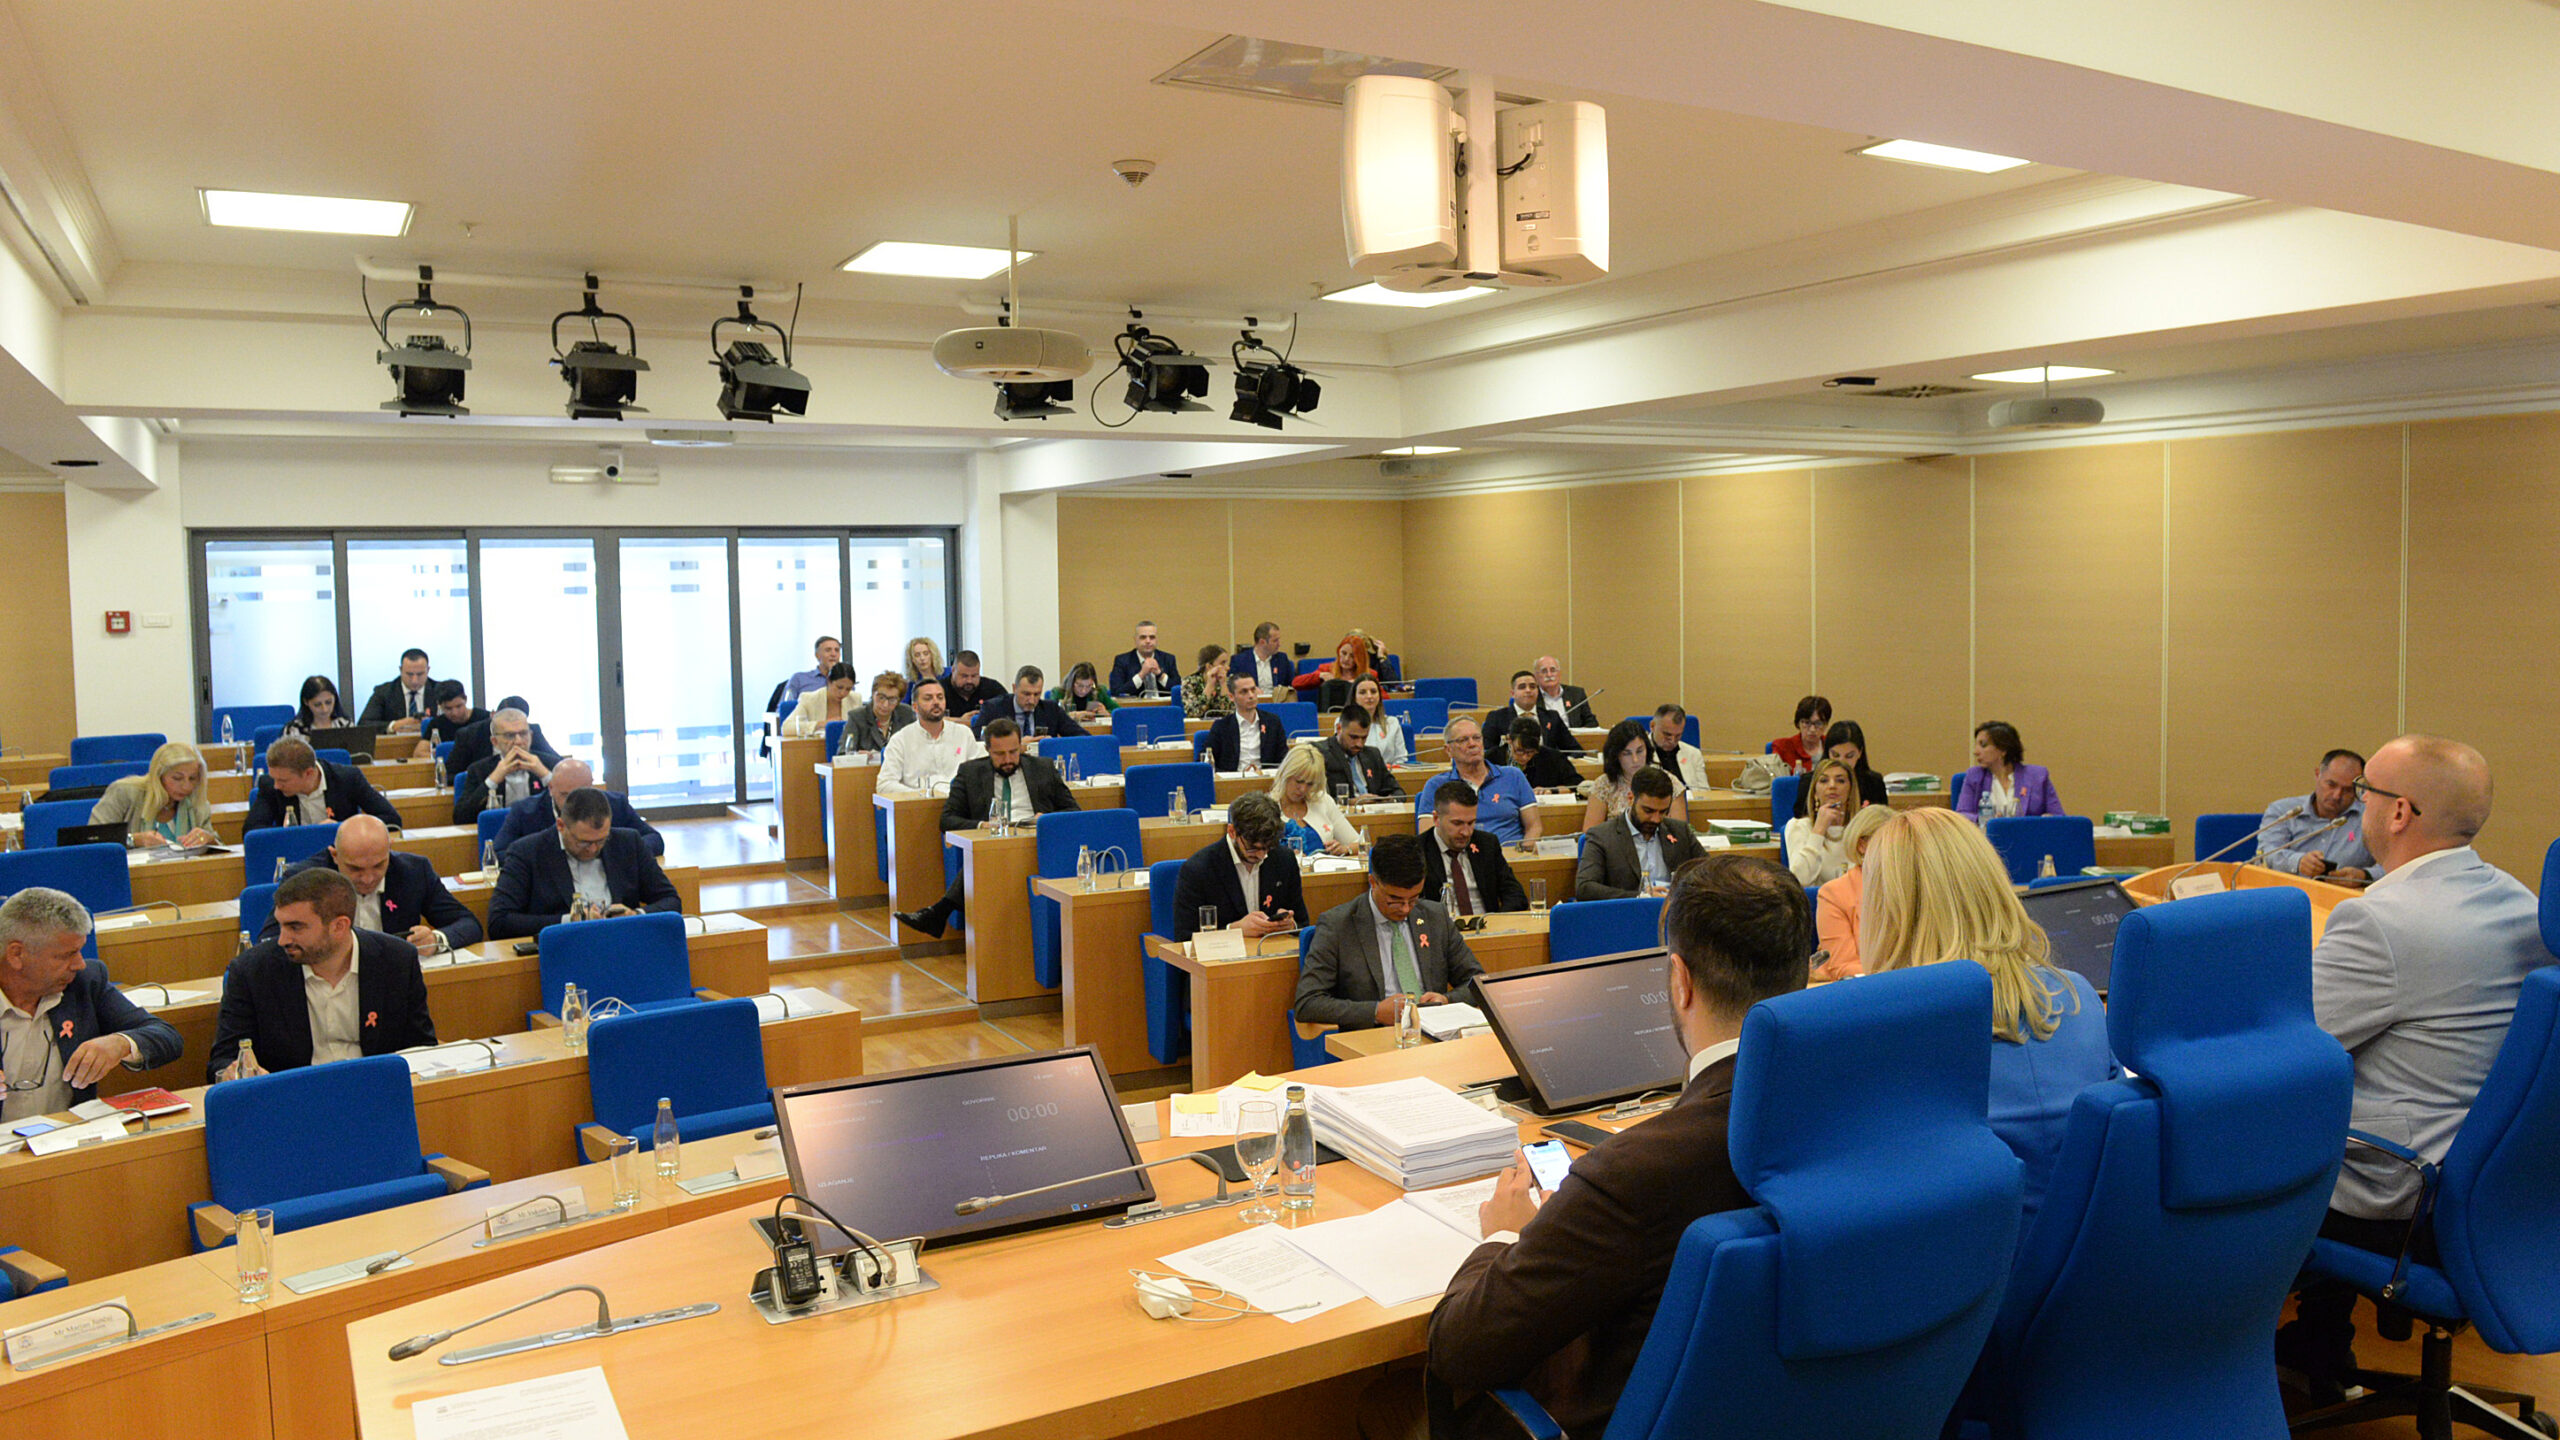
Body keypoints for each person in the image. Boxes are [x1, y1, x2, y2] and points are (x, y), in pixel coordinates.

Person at [1425, 855, 1807, 1440]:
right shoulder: (1857, 1114)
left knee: (1385, 1405)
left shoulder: (1636, 1173)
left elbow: (1458, 1350)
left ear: (1678, 981)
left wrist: (1502, 1235)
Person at [2278, 734, 2556, 1400]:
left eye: (2364, 791)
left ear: (2398, 811)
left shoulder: (2383, 922)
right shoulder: (2521, 903)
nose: (2356, 806)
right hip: (2501, 1184)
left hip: (2400, 1192)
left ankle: (2208, 1369)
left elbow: (2284, 1052)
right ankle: (2316, 1345)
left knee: (2223, 1141)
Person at [1859, 806, 2115, 1238]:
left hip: (1964, 1268)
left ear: (1886, 911)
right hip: (2097, 1260)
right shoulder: (2079, 998)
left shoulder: (1884, 1035)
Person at [207, 867, 436, 1082]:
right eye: (281, 925)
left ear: (339, 926)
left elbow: (422, 1046)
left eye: (295, 927)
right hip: (294, 1095)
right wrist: (231, 1072)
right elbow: (222, 1060)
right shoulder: (252, 971)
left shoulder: (397, 960)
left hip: (375, 1087)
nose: (282, 939)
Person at [0, 887, 183, 1122]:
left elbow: (167, 1036)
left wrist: (120, 1043)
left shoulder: (84, 984)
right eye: (66, 955)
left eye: (80, 951)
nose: (80, 964)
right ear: (16, 954)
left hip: (69, 1135)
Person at [892, 720, 1080, 938]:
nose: (1008, 760)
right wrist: (982, 825)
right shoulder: (970, 772)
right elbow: (947, 820)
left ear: (1021, 746)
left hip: (1035, 840)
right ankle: (940, 914)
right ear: (987, 750)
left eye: (1013, 752)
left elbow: (1074, 811)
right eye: (999, 754)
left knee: (987, 857)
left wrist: (1046, 819)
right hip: (993, 842)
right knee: (986, 854)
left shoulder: (1043, 768)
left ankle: (938, 912)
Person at [1294, 834, 1485, 1031]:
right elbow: (1308, 1003)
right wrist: (1375, 1012)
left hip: (1435, 1033)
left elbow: (1478, 982)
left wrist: (1447, 1000)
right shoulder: (1338, 925)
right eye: (1395, 900)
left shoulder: (1435, 917)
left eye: (1413, 899)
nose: (1405, 909)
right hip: (1373, 1036)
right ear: (1373, 882)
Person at [487, 787, 682, 939]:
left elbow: (670, 900)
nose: (593, 849)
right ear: (561, 825)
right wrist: (569, 921)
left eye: (601, 840)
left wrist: (636, 915)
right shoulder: (527, 852)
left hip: (623, 941)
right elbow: (499, 922)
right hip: (564, 948)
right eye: (584, 842)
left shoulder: (628, 842)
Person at [272, 815, 481, 954]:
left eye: (379, 865)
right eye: (355, 869)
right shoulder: (305, 880)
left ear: (389, 849)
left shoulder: (414, 871)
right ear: (335, 856)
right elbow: (271, 940)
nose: (368, 878)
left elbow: (468, 923)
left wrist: (435, 940)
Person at [1170, 792, 1308, 939]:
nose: (1262, 855)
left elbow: (1303, 923)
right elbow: (1184, 936)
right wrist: (1233, 930)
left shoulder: (1284, 859)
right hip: (1223, 953)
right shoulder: (1198, 869)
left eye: (1267, 847)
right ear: (1232, 832)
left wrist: (1290, 925)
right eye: (1253, 848)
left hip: (1272, 949)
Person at [490, 757, 665, 858]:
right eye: (565, 795)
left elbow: (654, 840)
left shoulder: (615, 804)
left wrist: (611, 852)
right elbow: (499, 853)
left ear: (592, 787)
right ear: (551, 788)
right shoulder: (524, 811)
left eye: (582, 792)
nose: (575, 802)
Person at [1575, 767, 1705, 900]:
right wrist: (1640, 896)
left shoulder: (1679, 831)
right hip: (1629, 909)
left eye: (1663, 812)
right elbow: (1585, 888)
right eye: (1648, 811)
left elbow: (1710, 872)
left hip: (1674, 907)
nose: (1656, 819)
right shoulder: (1602, 836)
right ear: (1631, 798)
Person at [2258, 749, 2380, 882]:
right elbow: (2266, 854)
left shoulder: (2371, 816)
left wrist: (2364, 875)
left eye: (2347, 790)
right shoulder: (2284, 811)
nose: (2337, 795)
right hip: (2287, 890)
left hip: (2342, 893)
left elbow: (2394, 867)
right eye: (2331, 785)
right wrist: (2298, 862)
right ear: (2318, 775)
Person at [1419, 717, 1542, 846]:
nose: (1472, 744)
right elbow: (1427, 836)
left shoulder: (1513, 776)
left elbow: (1534, 827)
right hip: (1461, 855)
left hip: (1510, 853)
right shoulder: (1436, 785)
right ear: (1448, 750)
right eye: (1463, 740)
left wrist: (1524, 851)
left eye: (1477, 738)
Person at [247, 736, 403, 831]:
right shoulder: (269, 786)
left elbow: (391, 819)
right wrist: (294, 835)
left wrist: (342, 827)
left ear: (308, 773)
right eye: (274, 778)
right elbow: (253, 830)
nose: (276, 785)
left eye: (283, 781)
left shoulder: (348, 778)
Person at [1421, 781, 1529, 915]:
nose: (1466, 832)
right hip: (1440, 925)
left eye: (1471, 823)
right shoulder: (1418, 850)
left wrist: (1498, 920)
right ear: (1436, 819)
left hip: (1487, 923)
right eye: (1457, 823)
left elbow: (1515, 895)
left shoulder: (1487, 844)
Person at [88, 740, 220, 847]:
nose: (186, 786)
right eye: (177, 778)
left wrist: (209, 840)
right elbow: (92, 837)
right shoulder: (124, 792)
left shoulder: (197, 803)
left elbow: (219, 848)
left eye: (192, 778)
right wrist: (133, 840)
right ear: (159, 775)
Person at [1812, 805, 1892, 980]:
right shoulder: (1834, 894)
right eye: (1890, 842)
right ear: (1862, 846)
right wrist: (1901, 974)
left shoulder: (1916, 885)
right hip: (1862, 988)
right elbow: (1843, 966)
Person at [876, 677, 981, 795]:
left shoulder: (963, 734)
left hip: (958, 801)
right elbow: (884, 785)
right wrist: (921, 795)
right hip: (918, 802)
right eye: (928, 698)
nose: (936, 702)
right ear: (915, 707)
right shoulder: (901, 740)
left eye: (940, 697)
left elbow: (978, 776)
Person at [1580, 719, 1689, 830]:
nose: (1635, 759)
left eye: (1640, 751)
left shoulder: (1670, 782)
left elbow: (1679, 832)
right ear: (1616, 755)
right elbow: (1590, 834)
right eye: (1627, 753)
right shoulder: (1603, 785)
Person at [453, 707, 553, 824]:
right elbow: (460, 818)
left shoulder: (551, 764)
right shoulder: (479, 770)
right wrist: (492, 780)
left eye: (523, 734)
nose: (518, 741)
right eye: (510, 735)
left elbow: (570, 810)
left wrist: (546, 776)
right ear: (495, 742)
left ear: (531, 735)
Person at [1954, 720, 2064, 820]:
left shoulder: (2037, 776)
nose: (1975, 752)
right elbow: (1962, 815)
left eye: (1983, 745)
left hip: (2027, 835)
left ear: (2003, 749)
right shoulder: (1974, 776)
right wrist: (1986, 819)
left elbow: (2059, 817)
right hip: (1986, 835)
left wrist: (2047, 819)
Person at [1785, 758, 1865, 885]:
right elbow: (1799, 880)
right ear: (1815, 793)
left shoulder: (1863, 829)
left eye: (1840, 781)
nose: (1832, 786)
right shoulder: (1799, 827)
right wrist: (1819, 829)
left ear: (1850, 790)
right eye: (1824, 780)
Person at [1270, 744, 1362, 856]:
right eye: (1299, 781)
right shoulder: (1268, 807)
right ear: (1285, 774)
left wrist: (1345, 849)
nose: (1303, 789)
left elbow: (1360, 844)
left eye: (1310, 784)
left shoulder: (1322, 801)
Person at [444, 697, 560, 778]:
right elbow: (449, 775)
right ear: (493, 715)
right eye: (509, 735)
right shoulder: (469, 734)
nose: (518, 740)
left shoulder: (531, 731)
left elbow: (558, 763)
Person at [1208, 670, 1290, 774]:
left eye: (1253, 690)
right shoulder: (1221, 726)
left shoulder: (1272, 722)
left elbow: (1284, 759)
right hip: (1233, 780)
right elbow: (1206, 763)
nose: (1251, 695)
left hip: (1265, 779)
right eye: (1244, 692)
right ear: (1231, 697)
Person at [1319, 704, 1404, 802]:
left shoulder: (1373, 754)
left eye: (1364, 738)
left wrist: (1387, 800)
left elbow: (1399, 792)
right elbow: (1314, 800)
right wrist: (1353, 802)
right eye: (1353, 737)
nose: (1359, 744)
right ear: (1339, 729)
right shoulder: (1320, 754)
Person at [1484, 671, 1579, 756]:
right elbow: (1488, 752)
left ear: (1538, 691)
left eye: (1532, 687)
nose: (1528, 690)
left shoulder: (1552, 717)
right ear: (1513, 693)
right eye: (1522, 687)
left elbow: (1575, 750)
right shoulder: (1497, 717)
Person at [973, 665, 1079, 739]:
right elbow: (977, 740)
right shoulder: (993, 708)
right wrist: (1018, 745)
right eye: (1026, 694)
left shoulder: (1051, 710)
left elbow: (1081, 736)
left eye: (1037, 694)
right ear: (1014, 688)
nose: (1031, 700)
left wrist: (1053, 742)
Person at [356, 648, 438, 734]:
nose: (415, 680)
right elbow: (363, 725)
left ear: (428, 670)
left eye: (420, 674)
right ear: (401, 670)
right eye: (409, 674)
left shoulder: (439, 690)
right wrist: (393, 726)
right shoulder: (384, 692)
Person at [1817, 720, 1891, 807]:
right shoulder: (1810, 781)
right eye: (1835, 755)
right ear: (1827, 752)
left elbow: (1882, 814)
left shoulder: (1873, 783)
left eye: (1849, 756)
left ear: (1860, 753)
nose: (1842, 762)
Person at [842, 672, 916, 756]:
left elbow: (917, 747)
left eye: (892, 700)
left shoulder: (906, 714)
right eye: (881, 698)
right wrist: (857, 755)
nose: (885, 705)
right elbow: (843, 753)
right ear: (873, 694)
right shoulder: (857, 717)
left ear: (899, 700)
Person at [410, 680, 486, 759]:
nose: (455, 713)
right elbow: (418, 753)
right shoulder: (437, 724)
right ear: (439, 705)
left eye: (459, 706)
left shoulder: (484, 718)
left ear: (465, 699)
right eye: (448, 709)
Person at [782, 663, 860, 739]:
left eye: (848, 689)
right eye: (839, 687)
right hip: (816, 746)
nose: (843, 693)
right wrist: (820, 724)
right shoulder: (809, 699)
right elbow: (786, 728)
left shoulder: (855, 699)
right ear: (829, 681)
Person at [1643, 705, 1708, 791]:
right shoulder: (1638, 754)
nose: (1672, 741)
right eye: (1667, 735)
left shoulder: (1694, 754)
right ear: (1652, 726)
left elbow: (1705, 792)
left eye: (1678, 735)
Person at [1300, 633, 1374, 708]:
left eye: (1352, 656)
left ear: (1359, 658)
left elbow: (1379, 697)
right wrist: (1319, 676)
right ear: (1338, 652)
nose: (1346, 659)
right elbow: (1296, 683)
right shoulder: (1327, 669)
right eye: (1343, 653)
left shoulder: (1368, 674)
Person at [1505, 722, 1583, 792]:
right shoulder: (1498, 758)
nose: (1525, 757)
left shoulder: (1552, 757)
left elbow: (1576, 784)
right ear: (1509, 740)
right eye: (1520, 751)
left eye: (1530, 752)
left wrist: (1552, 791)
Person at [1351, 675, 1409, 767]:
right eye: (1363, 692)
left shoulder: (1392, 723)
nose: (1369, 696)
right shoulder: (1344, 723)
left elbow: (1401, 758)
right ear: (1354, 697)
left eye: (1373, 691)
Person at [1110, 621, 1176, 699]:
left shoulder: (1168, 659)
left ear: (1156, 639)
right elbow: (1116, 692)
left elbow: (1179, 690)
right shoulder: (1122, 661)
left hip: (1164, 705)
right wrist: (1141, 675)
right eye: (1143, 637)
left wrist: (1160, 674)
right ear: (1135, 640)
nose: (1148, 641)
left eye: (1152, 637)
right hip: (1136, 705)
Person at [1771, 695, 1831, 775]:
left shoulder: (1832, 745)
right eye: (1807, 723)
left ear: (1826, 724)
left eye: (1818, 723)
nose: (1812, 729)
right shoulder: (1782, 747)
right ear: (1798, 723)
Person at [1531, 654, 1593, 730]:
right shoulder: (1532, 696)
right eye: (1544, 671)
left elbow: (1591, 722)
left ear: (1559, 673)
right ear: (1536, 676)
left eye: (1553, 670)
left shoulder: (1576, 694)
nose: (1549, 675)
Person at [781, 636, 844, 706]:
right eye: (828, 650)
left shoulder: (846, 680)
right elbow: (784, 708)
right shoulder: (799, 678)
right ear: (817, 655)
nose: (833, 654)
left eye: (837, 650)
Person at [941, 650, 1006, 714]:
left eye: (974, 676)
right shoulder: (940, 689)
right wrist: (962, 719)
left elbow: (1008, 711)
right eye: (964, 676)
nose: (969, 681)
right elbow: (934, 718)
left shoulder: (992, 688)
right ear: (953, 670)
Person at [1180, 645, 1234, 719]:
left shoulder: (1229, 681)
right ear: (1209, 666)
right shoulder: (1189, 682)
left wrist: (1223, 684)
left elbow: (1229, 713)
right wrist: (1210, 685)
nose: (1228, 668)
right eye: (1222, 663)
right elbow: (1194, 713)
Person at [283, 674, 345, 738]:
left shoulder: (346, 725)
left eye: (328, 702)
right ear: (306, 702)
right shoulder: (294, 730)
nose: (324, 709)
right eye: (317, 705)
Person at [1049, 662, 1116, 721]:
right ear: (1071, 682)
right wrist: (1071, 715)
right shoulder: (1059, 693)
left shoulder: (1099, 692)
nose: (1084, 690)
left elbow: (1118, 711)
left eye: (1089, 686)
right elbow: (1051, 715)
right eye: (1080, 686)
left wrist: (1107, 713)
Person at [1242, 621, 1297, 691]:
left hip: (1277, 697)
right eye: (1275, 641)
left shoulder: (1282, 659)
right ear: (1262, 642)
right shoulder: (1241, 661)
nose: (1279, 644)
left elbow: (1291, 685)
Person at [901, 637, 945, 702]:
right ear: (912, 660)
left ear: (933, 655)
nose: (922, 658)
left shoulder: (948, 673)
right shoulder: (910, 685)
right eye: (917, 655)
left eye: (926, 653)